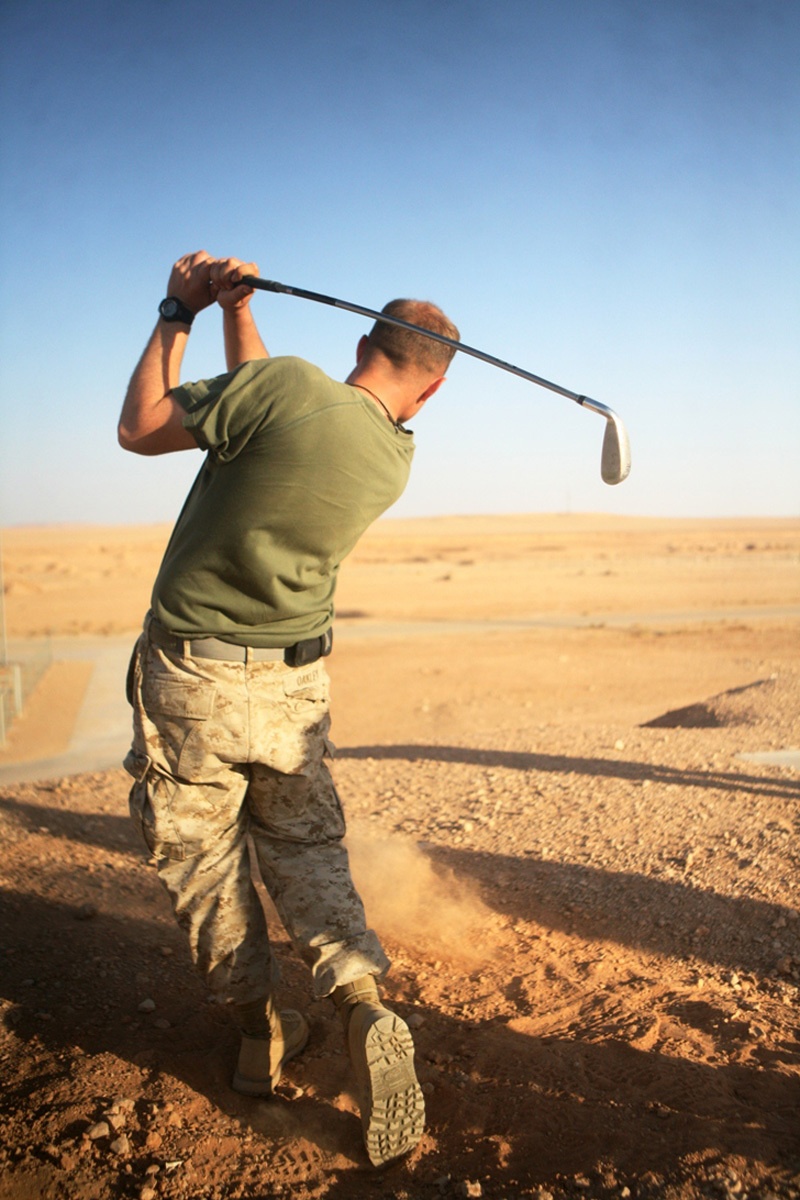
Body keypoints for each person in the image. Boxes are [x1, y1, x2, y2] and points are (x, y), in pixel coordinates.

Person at [118, 250, 459, 1167]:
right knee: (304, 850)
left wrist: (179, 309)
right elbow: (264, 396)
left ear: (361, 341)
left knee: (203, 862)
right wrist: (240, 311)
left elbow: (144, 427)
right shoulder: (394, 453)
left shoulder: (287, 389)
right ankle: (357, 998)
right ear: (427, 393)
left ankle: (256, 1029)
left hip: (192, 680)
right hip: (294, 687)